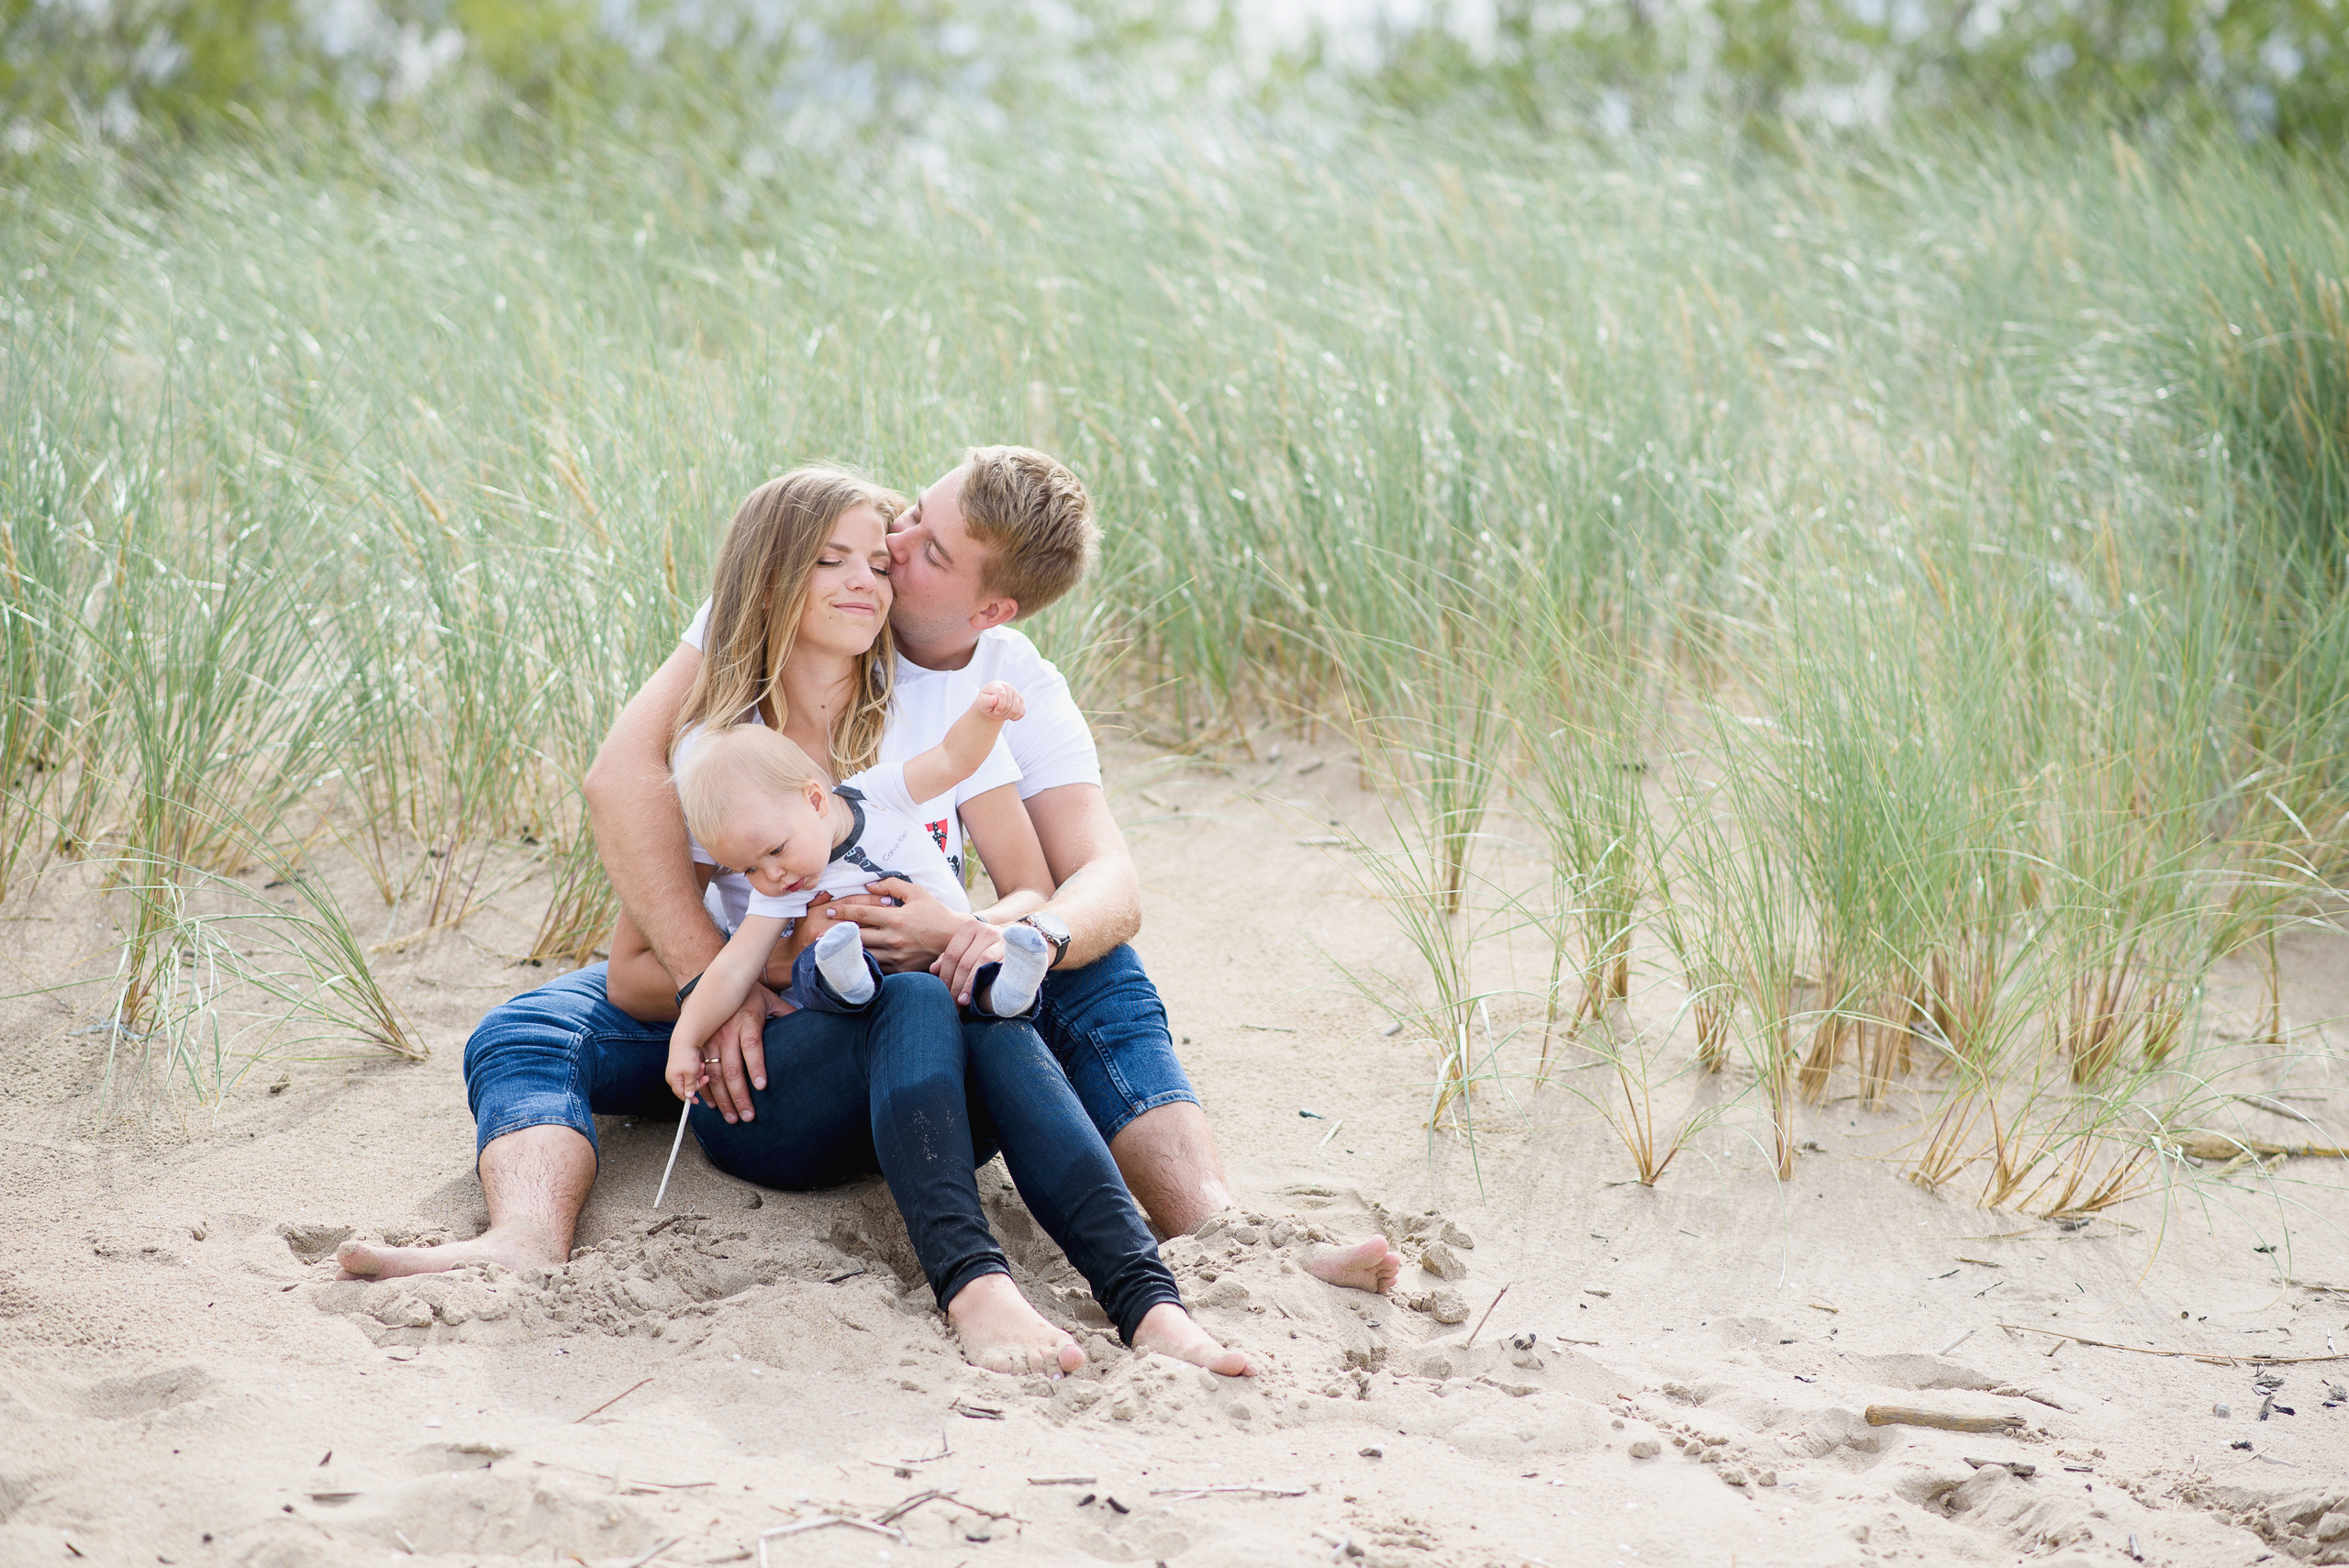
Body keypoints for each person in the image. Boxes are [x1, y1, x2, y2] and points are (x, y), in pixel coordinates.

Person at [339, 446, 1399, 1300]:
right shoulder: (747, 667)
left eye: (916, 549)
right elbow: (621, 780)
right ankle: (525, 1235)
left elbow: (1089, 877)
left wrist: (983, 930)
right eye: (889, 530)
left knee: (1086, 962)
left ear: (987, 610)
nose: (885, 553)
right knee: (526, 1029)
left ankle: (1218, 1230)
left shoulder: (978, 691)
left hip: (898, 987)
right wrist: (739, 973)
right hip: (761, 978)